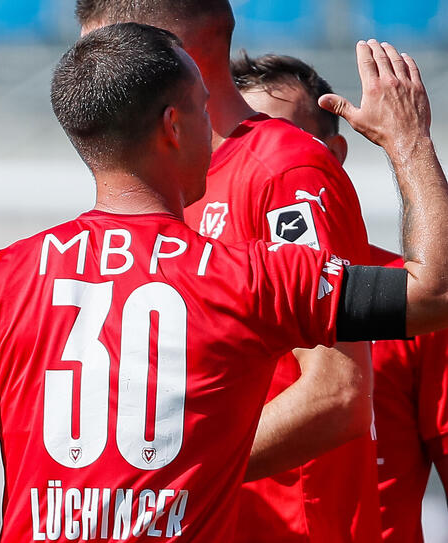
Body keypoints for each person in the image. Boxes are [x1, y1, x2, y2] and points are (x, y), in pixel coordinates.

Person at [0, 25, 448, 542]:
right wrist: (409, 140)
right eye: (206, 110)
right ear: (173, 127)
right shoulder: (245, 275)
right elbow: (435, 292)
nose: (222, 132)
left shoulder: (3, 278)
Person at [77, 3, 380, 541]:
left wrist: (162, 475)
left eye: (106, 50)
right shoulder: (161, 180)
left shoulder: (284, 170)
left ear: (175, 53)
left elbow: (337, 394)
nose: (89, 72)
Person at [231, 51, 448, 543]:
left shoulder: (406, 296)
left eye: (287, 138)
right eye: (246, 141)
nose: (268, 159)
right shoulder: (195, 289)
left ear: (334, 152)